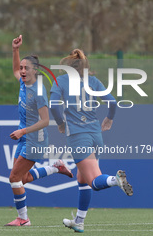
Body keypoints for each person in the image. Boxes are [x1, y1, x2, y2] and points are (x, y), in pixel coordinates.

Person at [50, 49, 133, 233]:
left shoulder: (61, 81)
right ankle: (79, 221)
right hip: (96, 135)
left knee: (94, 181)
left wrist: (60, 123)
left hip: (78, 136)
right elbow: (111, 102)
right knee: (82, 179)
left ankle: (115, 180)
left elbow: (53, 106)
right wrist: (109, 119)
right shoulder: (92, 81)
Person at [5, 35, 73, 227]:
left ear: (35, 70)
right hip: (25, 137)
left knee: (14, 178)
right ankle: (55, 167)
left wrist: (23, 131)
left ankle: (24, 219)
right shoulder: (23, 82)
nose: (22, 71)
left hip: (35, 139)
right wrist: (15, 50)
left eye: (27, 68)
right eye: (22, 68)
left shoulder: (39, 92)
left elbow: (46, 121)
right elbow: (15, 69)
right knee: (23, 178)